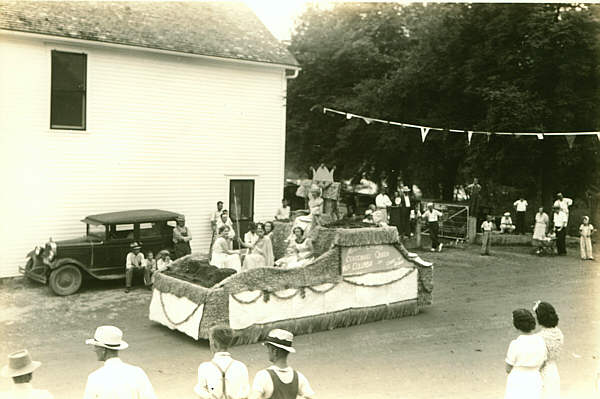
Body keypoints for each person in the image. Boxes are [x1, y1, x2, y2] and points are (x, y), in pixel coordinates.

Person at [84, 325, 157, 399]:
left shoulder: (95, 378)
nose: (94, 350)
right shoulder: (137, 372)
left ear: (103, 350)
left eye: (96, 347)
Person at [250, 329, 315, 399]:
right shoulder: (299, 377)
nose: (267, 352)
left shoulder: (263, 376)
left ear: (274, 351)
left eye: (268, 348)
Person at [194, 326, 250, 399]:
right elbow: (245, 393)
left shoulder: (205, 367)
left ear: (213, 344)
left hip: (213, 393)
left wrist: (211, 394)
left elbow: (202, 392)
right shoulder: (241, 367)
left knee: (199, 389)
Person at [504, 309, 547, 399]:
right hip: (535, 379)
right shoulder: (541, 341)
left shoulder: (515, 344)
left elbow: (508, 368)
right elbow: (543, 363)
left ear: (517, 326)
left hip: (517, 380)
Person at [534, 301, 564, 399]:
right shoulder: (559, 333)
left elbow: (540, 361)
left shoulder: (539, 337)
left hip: (542, 374)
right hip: (554, 370)